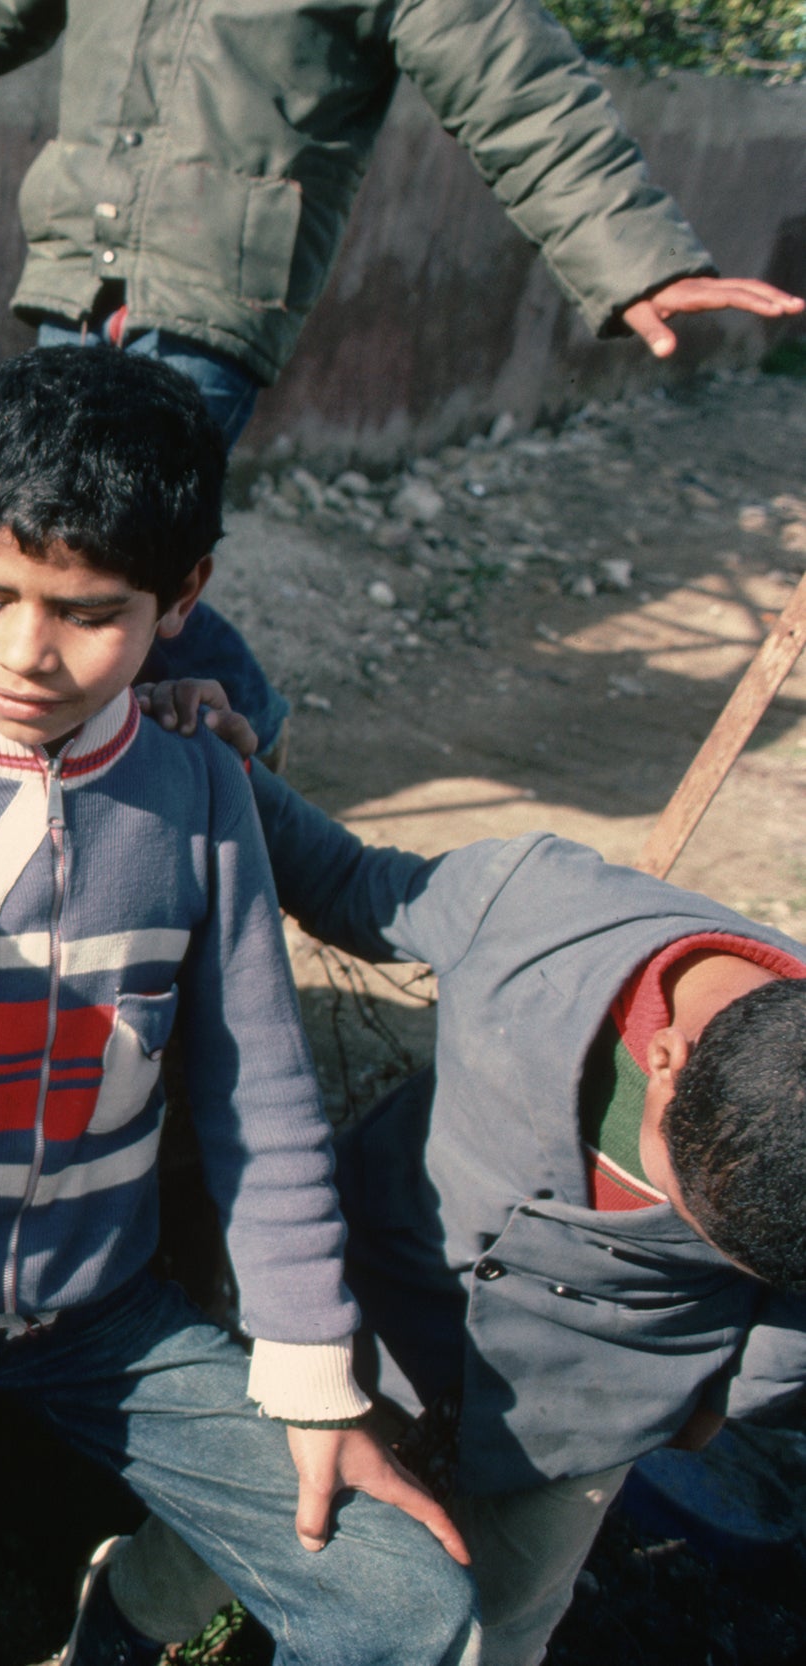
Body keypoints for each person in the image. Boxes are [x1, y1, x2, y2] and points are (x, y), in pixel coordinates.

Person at [0, 347, 475, 1666]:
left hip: (101, 1314)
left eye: (88, 611)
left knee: (405, 1600)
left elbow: (259, 1084)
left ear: (182, 595)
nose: (29, 652)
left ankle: (118, 1630)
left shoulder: (197, 790)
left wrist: (314, 1381)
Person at [0, 0, 801, 754]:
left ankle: (227, 746)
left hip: (215, 294)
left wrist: (637, 257)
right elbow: (7, 8)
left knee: (114, 560)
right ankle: (185, 738)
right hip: (77, 273)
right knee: (52, 552)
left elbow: (513, 77)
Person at [114, 682, 806, 1666]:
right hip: (374, 1302)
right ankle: (128, 1625)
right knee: (245, 1526)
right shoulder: (539, 914)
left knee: (505, 1609)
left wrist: (711, 1397)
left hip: (583, 1417)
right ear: (663, 1060)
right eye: (682, 1211)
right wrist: (231, 775)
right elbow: (351, 883)